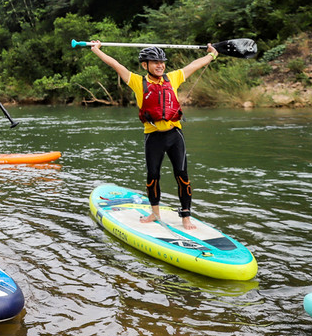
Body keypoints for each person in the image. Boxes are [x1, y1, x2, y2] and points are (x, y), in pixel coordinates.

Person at [88, 42, 218, 230]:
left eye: (162, 62)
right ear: (144, 65)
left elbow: (194, 66)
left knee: (182, 175)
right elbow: (116, 65)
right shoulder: (137, 82)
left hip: (175, 135)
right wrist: (96, 50)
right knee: (153, 176)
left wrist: (212, 55)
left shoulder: (172, 78)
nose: (160, 65)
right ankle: (155, 213)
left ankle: (186, 216)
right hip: (153, 137)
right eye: (155, 62)